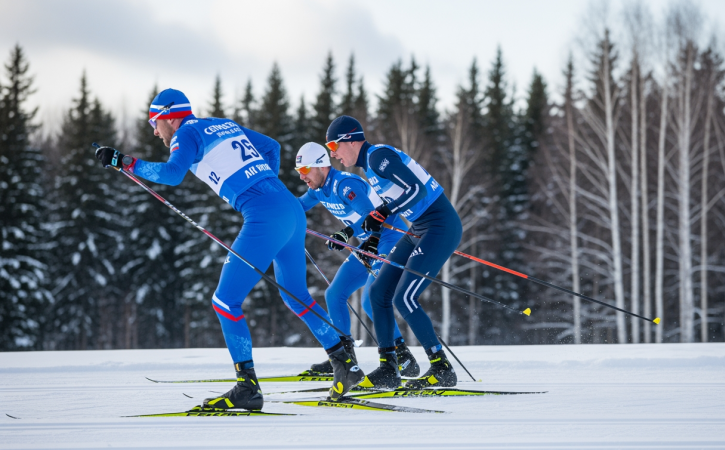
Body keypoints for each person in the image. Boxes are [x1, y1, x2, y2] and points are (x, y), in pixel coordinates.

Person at [94, 89, 363, 407]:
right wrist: (265, 185)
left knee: (225, 301)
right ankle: (345, 363)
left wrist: (123, 162)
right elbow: (271, 147)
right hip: (289, 209)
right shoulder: (222, 124)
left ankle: (247, 388)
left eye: (156, 122)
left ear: (170, 115)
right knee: (296, 295)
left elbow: (172, 174)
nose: (155, 131)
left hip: (267, 215)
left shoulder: (186, 133)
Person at [326, 115, 463, 389]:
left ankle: (441, 367)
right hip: (419, 229)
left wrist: (384, 211)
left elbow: (416, 188)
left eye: (333, 147)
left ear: (349, 141)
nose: (334, 155)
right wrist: (371, 227)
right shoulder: (368, 168)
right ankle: (389, 367)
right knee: (378, 293)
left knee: (405, 297)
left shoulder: (378, 157)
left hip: (440, 226)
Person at [294, 142, 420, 377]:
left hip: (389, 238)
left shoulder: (345, 184)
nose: (302, 177)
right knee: (334, 294)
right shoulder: (317, 189)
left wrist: (345, 233)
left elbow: (368, 216)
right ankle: (344, 359)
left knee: (369, 300)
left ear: (321, 166)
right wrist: (268, 207)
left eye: (305, 171)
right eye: (298, 172)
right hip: (368, 243)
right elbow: (298, 206)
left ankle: (403, 357)